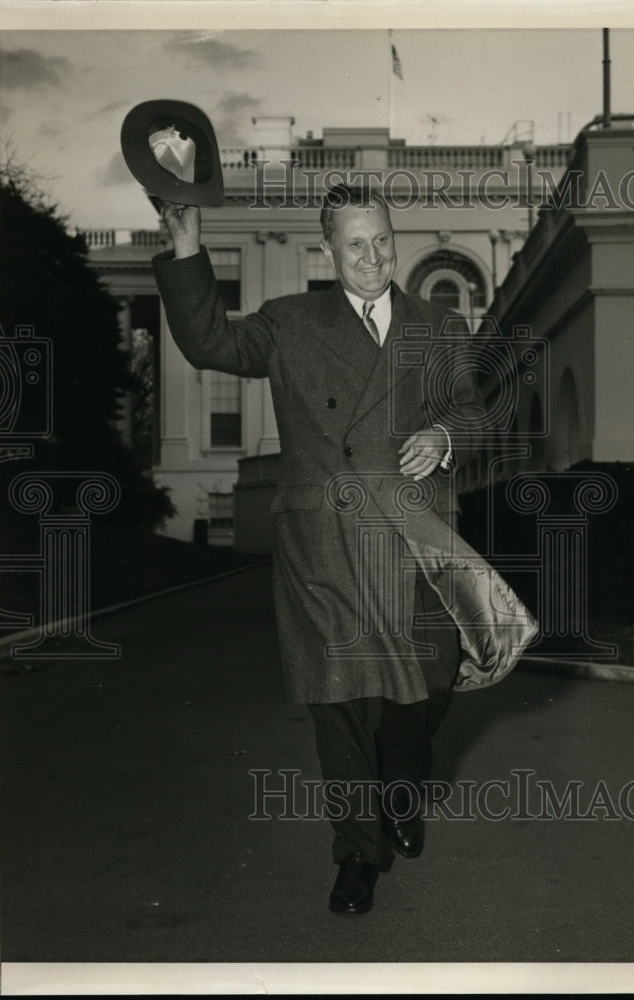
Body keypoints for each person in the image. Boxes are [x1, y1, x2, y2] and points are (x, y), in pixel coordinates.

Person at [152, 183, 530, 914]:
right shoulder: (289, 323)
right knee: (341, 701)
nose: (372, 256)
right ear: (329, 250)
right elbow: (208, 342)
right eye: (354, 243)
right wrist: (189, 248)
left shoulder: (438, 326)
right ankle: (357, 853)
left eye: (382, 240)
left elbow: (470, 413)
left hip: (417, 533)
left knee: (430, 679)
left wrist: (442, 435)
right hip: (322, 537)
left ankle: (402, 784)